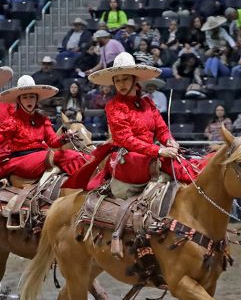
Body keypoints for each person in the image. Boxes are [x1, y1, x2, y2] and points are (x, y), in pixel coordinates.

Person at [71, 52, 204, 196]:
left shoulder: (147, 103)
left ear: (135, 80)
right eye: (117, 80)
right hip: (128, 158)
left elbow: (161, 129)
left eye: (125, 79)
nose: (121, 84)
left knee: (184, 160)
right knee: (169, 162)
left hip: (150, 154)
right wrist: (158, 151)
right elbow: (126, 140)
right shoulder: (113, 106)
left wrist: (169, 141)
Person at [0, 75, 86, 180]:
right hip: (21, 161)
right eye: (24, 97)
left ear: (37, 98)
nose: (29, 100)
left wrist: (65, 138)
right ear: (19, 100)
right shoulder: (12, 121)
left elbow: (52, 141)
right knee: (68, 155)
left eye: (32, 96)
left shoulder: (42, 119)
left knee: (79, 155)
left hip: (41, 156)